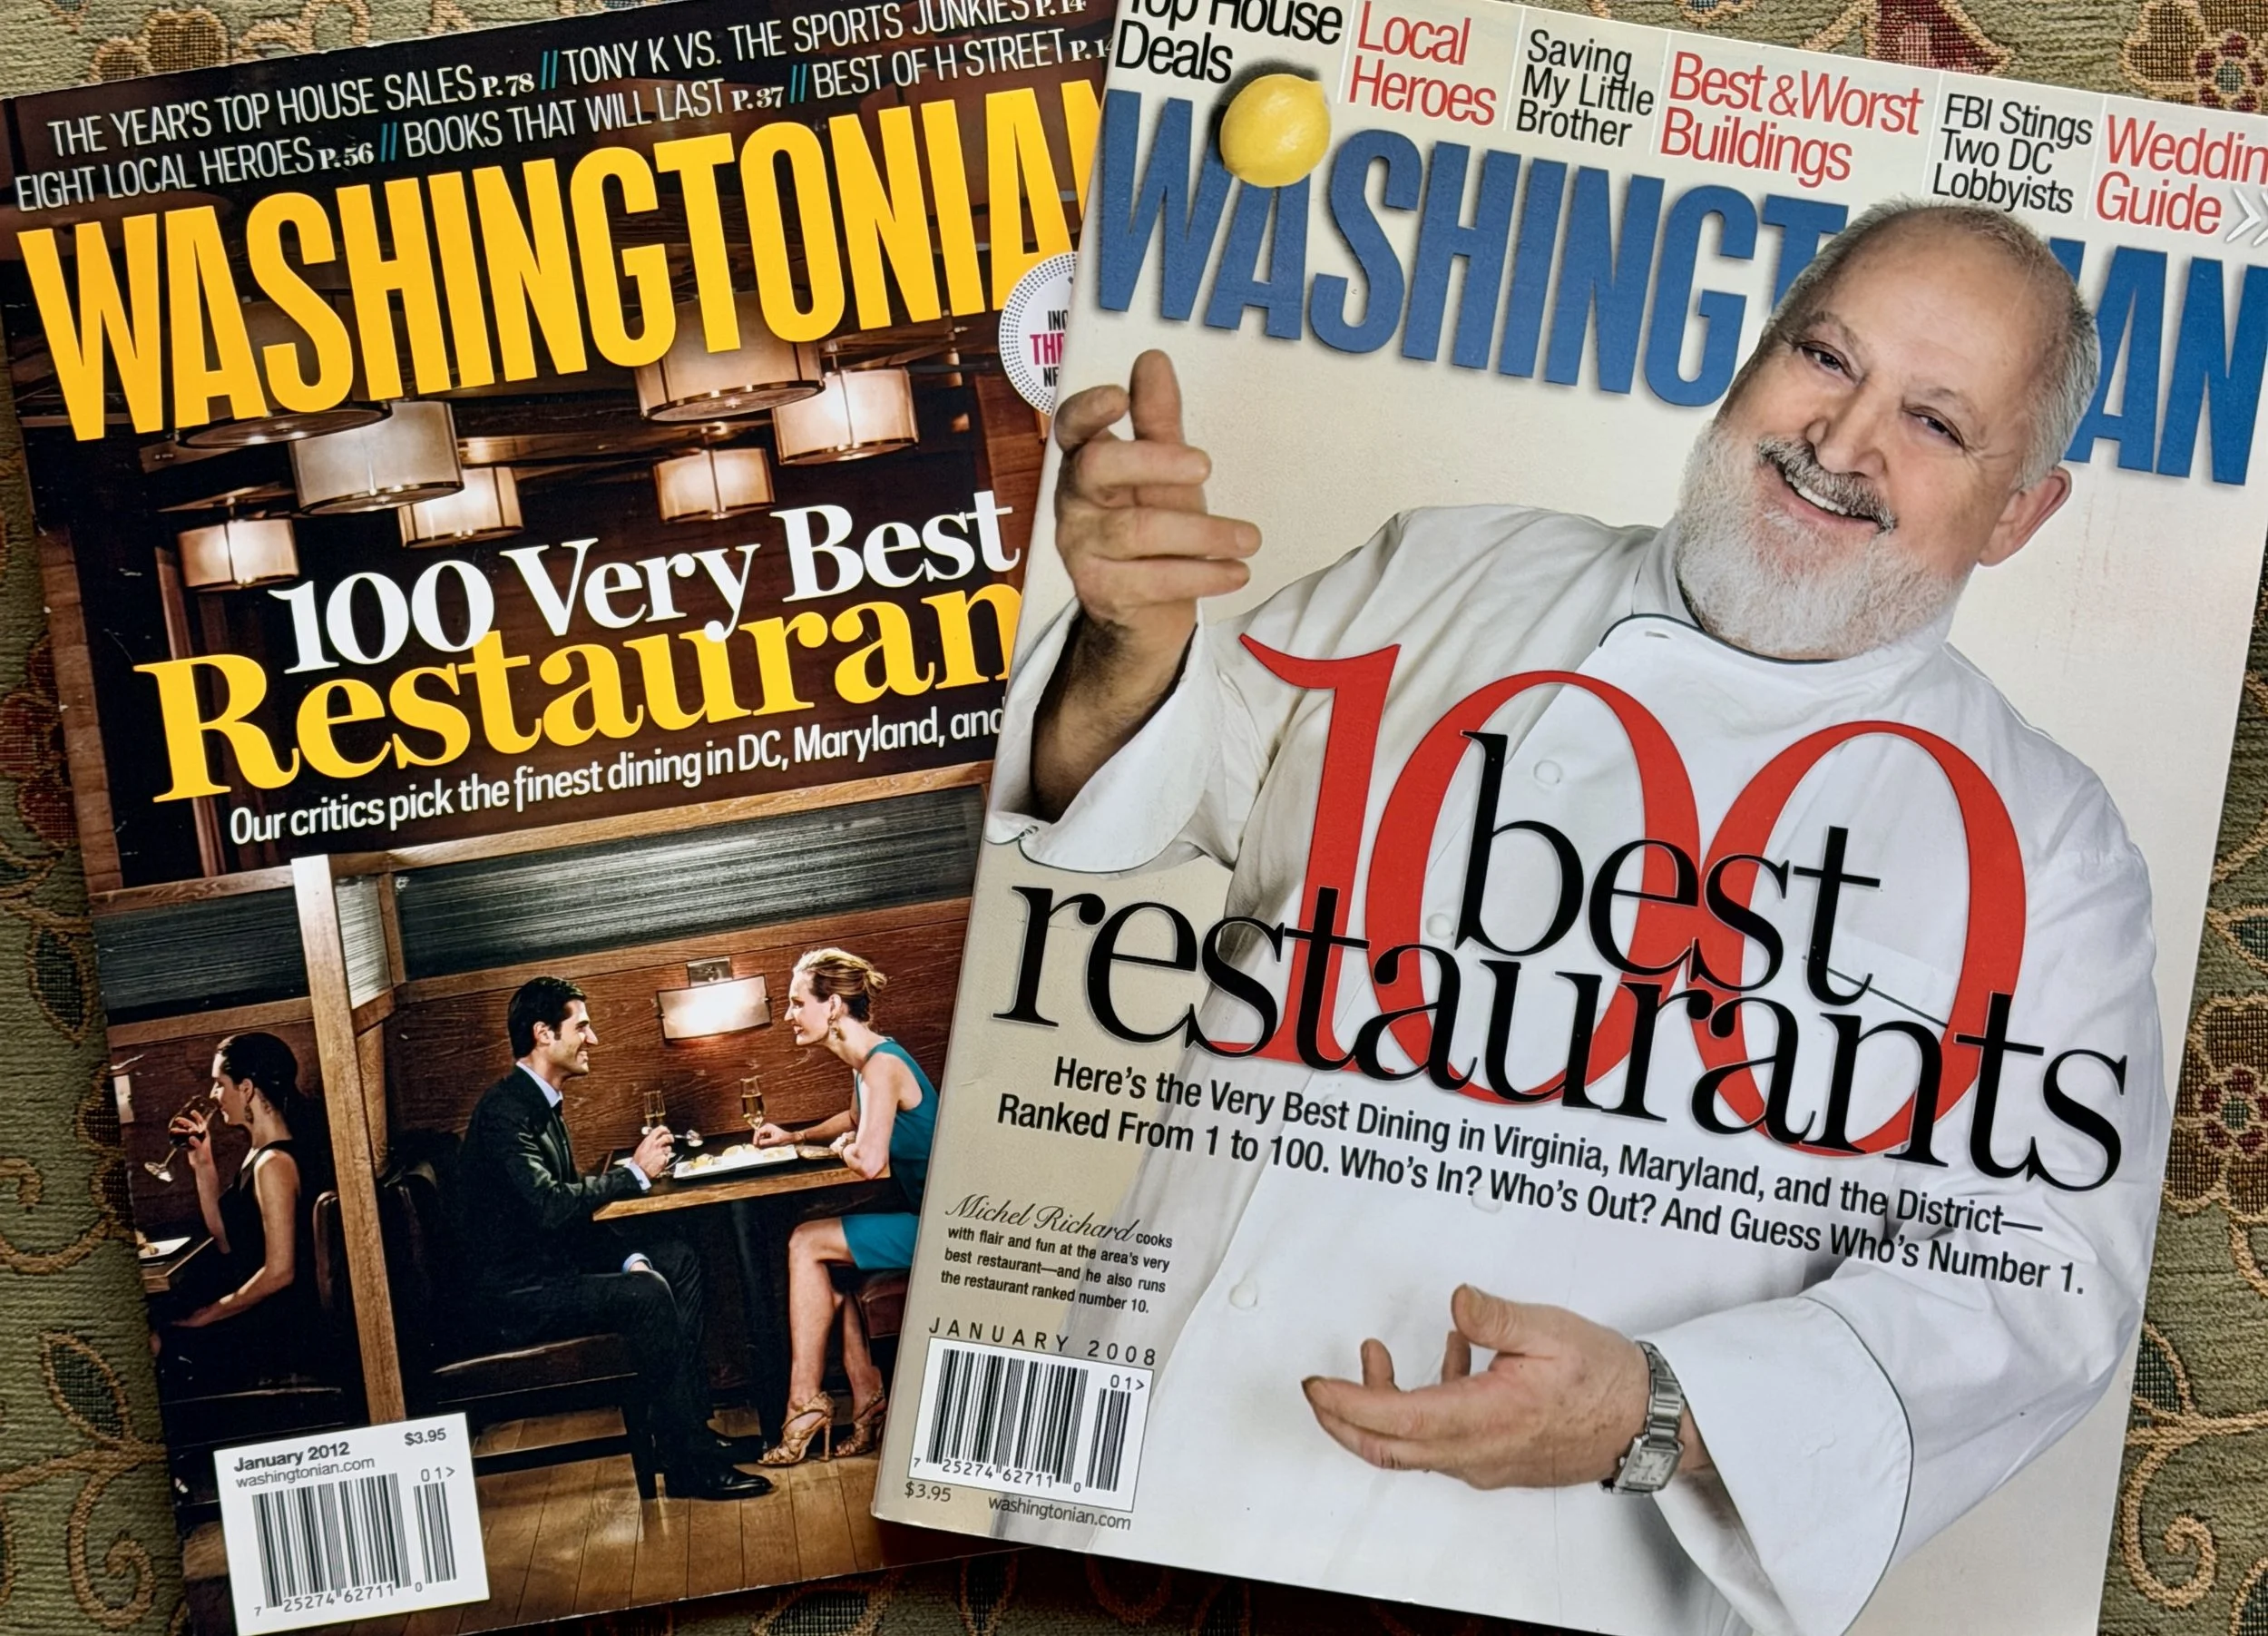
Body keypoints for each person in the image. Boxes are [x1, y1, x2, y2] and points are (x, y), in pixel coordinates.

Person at [987, 199, 2165, 1636]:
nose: (1842, 445)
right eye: (1825, 356)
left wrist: (1652, 1411)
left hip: (1533, 1579)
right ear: (1755, 356)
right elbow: (1140, 772)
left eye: (1934, 422)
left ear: (2022, 513)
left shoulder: (2046, 843)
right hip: (1129, 1486)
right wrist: (1126, 635)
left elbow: (2041, 1281)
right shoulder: (1450, 567)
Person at [455, 975, 771, 1501]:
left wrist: (632, 1257)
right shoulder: (505, 1112)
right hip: (517, 1296)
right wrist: (634, 1175)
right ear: (543, 1034)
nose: (593, 1038)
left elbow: (564, 1205)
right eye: (581, 1026)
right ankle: (688, 1465)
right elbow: (552, 1205)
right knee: (646, 1295)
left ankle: (689, 1431)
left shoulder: (538, 1102)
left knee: (677, 1259)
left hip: (546, 1272)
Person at [751, 949, 938, 1465]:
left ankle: (805, 1402)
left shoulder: (882, 1066)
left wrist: (846, 1151)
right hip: (930, 1218)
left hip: (943, 1230)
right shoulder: (868, 1062)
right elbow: (855, 1118)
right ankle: (867, 1396)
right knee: (823, 1250)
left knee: (806, 1242)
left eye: (796, 1004)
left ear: (832, 1006)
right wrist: (796, 1136)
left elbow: (871, 1161)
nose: (788, 1015)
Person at [155, 1032, 332, 1391]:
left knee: (159, 1339)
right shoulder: (260, 1154)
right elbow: (226, 1241)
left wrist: (209, 1314)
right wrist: (203, 1165)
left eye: (219, 1084)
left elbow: (280, 1272)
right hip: (261, 1313)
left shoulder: (275, 1163)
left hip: (279, 1328)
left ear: (247, 1088)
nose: (213, 1095)